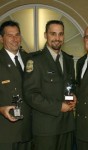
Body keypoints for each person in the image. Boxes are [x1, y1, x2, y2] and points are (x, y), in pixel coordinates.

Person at [23, 20, 76, 150]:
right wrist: (58, 106)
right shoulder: (35, 60)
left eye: (61, 34)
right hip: (46, 129)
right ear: (45, 35)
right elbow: (31, 95)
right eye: (53, 34)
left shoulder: (69, 60)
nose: (57, 38)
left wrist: (74, 96)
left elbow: (70, 86)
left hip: (67, 126)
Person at [0, 20, 31, 150]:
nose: (15, 39)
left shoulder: (29, 59)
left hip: (28, 130)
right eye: (10, 35)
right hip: (6, 132)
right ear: (1, 38)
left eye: (17, 35)